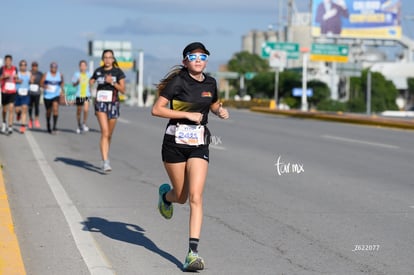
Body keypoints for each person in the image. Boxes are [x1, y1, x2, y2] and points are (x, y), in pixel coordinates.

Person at [151, 42, 229, 271]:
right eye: (192, 56)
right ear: (185, 61)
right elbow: (157, 110)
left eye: (202, 56)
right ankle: (166, 197)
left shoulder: (211, 82)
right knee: (182, 196)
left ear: (206, 60)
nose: (198, 59)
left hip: (198, 145)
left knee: (196, 197)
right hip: (174, 145)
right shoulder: (177, 82)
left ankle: (192, 254)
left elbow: (213, 103)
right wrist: (187, 115)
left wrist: (219, 111)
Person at [89, 49, 126, 173]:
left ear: (113, 59)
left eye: (110, 57)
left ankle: (105, 155)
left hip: (113, 103)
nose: (107, 59)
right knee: (104, 132)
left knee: (109, 134)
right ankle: (105, 161)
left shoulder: (118, 72)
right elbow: (91, 81)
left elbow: (123, 90)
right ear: (102, 59)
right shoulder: (98, 71)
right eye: (105, 57)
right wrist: (90, 83)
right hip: (100, 103)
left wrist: (112, 82)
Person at [40, 62, 64, 134]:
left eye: (55, 67)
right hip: (47, 96)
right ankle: (48, 123)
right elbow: (41, 83)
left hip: (55, 95)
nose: (54, 69)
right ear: (50, 68)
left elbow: (62, 83)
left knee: (55, 109)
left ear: (57, 68)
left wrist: (62, 90)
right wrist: (44, 86)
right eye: (52, 67)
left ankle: (54, 126)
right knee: (48, 111)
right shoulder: (46, 75)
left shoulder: (59, 75)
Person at [72, 60, 92, 134]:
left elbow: (91, 83)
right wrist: (77, 82)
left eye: (84, 65)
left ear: (86, 67)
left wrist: (91, 84)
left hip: (87, 95)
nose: (83, 67)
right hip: (79, 94)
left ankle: (84, 123)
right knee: (79, 111)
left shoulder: (89, 74)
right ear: (79, 67)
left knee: (86, 109)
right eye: (81, 65)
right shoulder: (76, 74)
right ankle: (78, 124)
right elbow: (73, 84)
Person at [0, 54, 18, 135]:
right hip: (4, 91)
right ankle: (4, 123)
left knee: (11, 108)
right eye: (6, 61)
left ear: (11, 61)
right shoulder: (2, 69)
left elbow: (17, 78)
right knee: (4, 110)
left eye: (9, 61)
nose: (8, 62)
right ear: (4, 61)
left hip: (12, 91)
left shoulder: (15, 68)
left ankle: (10, 126)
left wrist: (17, 78)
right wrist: (4, 77)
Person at [15, 60, 31, 133]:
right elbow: (14, 80)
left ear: (26, 66)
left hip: (26, 93)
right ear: (20, 66)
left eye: (25, 65)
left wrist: (31, 81)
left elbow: (31, 81)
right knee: (17, 110)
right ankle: (18, 114)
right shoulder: (17, 73)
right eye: (22, 65)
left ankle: (23, 126)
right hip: (18, 93)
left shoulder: (28, 74)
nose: (23, 66)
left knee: (24, 108)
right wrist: (17, 81)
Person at [28, 61, 43, 129]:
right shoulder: (28, 73)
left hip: (37, 92)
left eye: (36, 66)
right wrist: (30, 80)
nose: (34, 67)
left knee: (36, 106)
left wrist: (39, 84)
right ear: (31, 66)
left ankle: (36, 120)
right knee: (30, 106)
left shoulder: (40, 74)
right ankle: (30, 119)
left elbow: (42, 82)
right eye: (33, 66)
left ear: (37, 67)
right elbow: (25, 81)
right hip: (30, 92)